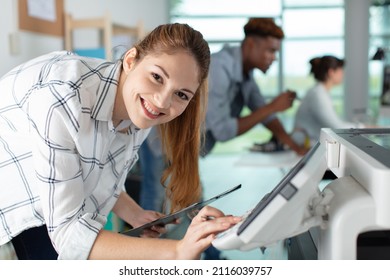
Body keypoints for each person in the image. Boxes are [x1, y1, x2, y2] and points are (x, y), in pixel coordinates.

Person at [0, 23, 241, 260]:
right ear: (130, 60)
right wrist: (176, 251)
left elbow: (99, 166)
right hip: (17, 196)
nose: (162, 101)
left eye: (181, 94)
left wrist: (134, 214)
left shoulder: (137, 102)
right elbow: (69, 237)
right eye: (157, 77)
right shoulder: (63, 100)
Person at [203, 18, 307, 157]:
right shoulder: (218, 68)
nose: (274, 58)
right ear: (251, 44)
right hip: (168, 151)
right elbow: (223, 131)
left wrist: (297, 148)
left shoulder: (246, 74)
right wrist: (273, 106)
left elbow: (265, 114)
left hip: (187, 154)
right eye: (271, 50)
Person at [292, 55, 361, 145]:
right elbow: (337, 127)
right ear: (331, 72)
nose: (343, 74)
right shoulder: (318, 95)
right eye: (340, 70)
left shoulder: (319, 91)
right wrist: (364, 127)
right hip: (303, 147)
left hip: (309, 143)